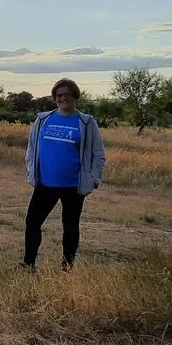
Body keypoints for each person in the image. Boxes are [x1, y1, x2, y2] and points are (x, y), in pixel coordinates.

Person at [20, 78, 105, 272]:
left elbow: (98, 154)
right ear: (54, 98)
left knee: (70, 226)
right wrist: (31, 171)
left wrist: (93, 180)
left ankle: (67, 266)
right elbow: (31, 149)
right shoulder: (43, 119)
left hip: (73, 186)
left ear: (75, 96)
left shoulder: (86, 122)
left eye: (66, 94)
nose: (62, 98)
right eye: (58, 95)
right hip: (45, 184)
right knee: (32, 223)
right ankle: (28, 264)